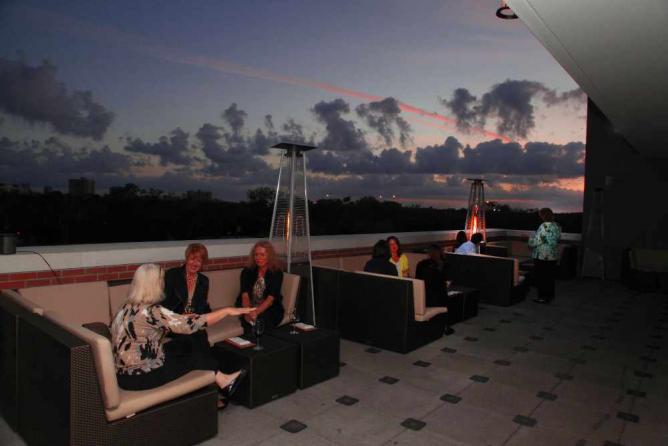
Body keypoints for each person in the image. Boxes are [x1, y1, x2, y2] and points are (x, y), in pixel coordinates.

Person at [111, 263, 254, 408]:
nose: (163, 284)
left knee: (187, 343)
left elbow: (155, 325)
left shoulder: (126, 307)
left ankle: (217, 381)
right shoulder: (152, 311)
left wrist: (185, 318)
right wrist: (227, 311)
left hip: (124, 375)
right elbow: (189, 325)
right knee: (195, 354)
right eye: (161, 280)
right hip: (142, 377)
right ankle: (221, 382)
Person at [162, 243, 212, 363]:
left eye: (199, 261)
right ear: (186, 258)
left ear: (202, 263)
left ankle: (206, 366)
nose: (195, 263)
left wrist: (195, 318)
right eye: (192, 259)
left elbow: (201, 306)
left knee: (200, 335)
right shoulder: (172, 275)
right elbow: (164, 304)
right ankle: (210, 367)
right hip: (173, 321)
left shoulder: (204, 281)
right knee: (194, 337)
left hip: (191, 321)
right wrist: (180, 317)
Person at [236, 241, 285, 335]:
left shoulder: (276, 273)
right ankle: (249, 342)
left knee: (262, 320)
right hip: (248, 306)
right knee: (248, 320)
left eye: (262, 255)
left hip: (270, 307)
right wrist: (247, 311)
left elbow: (270, 299)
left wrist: (256, 312)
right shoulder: (247, 271)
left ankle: (264, 342)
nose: (258, 258)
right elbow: (245, 295)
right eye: (256, 255)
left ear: (269, 256)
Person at [415, 244, 454, 335]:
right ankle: (446, 326)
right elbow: (446, 282)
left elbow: (418, 279)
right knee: (446, 297)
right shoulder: (443, 265)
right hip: (436, 299)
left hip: (423, 297)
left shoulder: (421, 264)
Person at [528, 208, 562, 303]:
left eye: (540, 215)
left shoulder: (544, 226)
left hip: (542, 256)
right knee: (549, 278)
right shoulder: (557, 226)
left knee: (542, 278)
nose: (540, 217)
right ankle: (549, 296)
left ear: (544, 215)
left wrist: (529, 240)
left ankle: (542, 297)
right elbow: (557, 239)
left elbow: (538, 241)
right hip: (552, 255)